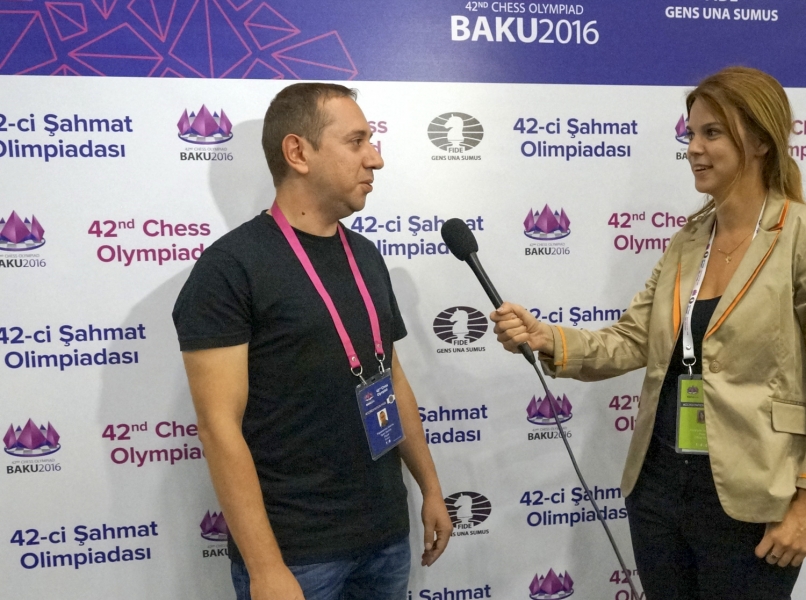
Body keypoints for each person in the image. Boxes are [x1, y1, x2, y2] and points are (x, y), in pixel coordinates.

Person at [491, 66, 806, 599]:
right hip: (658, 490)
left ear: (759, 141)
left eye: (712, 133)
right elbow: (633, 339)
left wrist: (803, 506)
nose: (693, 148)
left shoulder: (797, 234)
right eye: (691, 133)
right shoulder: (689, 240)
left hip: (755, 500)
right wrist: (547, 338)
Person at [173, 83, 452, 600]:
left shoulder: (365, 255)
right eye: (356, 142)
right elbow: (218, 428)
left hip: (385, 537)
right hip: (297, 554)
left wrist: (430, 487)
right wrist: (265, 568)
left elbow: (390, 378)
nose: (376, 159)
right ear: (298, 152)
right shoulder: (230, 269)